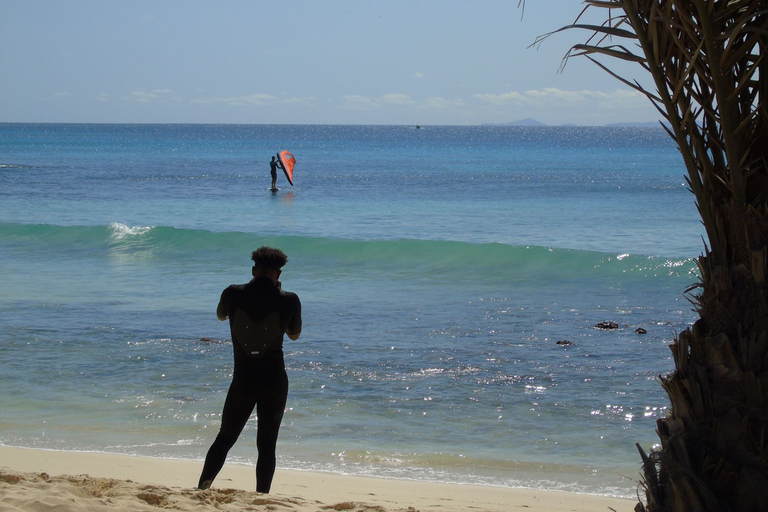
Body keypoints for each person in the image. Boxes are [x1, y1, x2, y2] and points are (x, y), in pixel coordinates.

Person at [198, 247, 302, 493]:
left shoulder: (232, 293)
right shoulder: (289, 299)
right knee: (267, 446)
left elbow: (221, 316)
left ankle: (202, 489)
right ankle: (262, 497)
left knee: (225, 438)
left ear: (254, 269)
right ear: (278, 273)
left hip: (243, 381)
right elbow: (295, 335)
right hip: (274, 382)